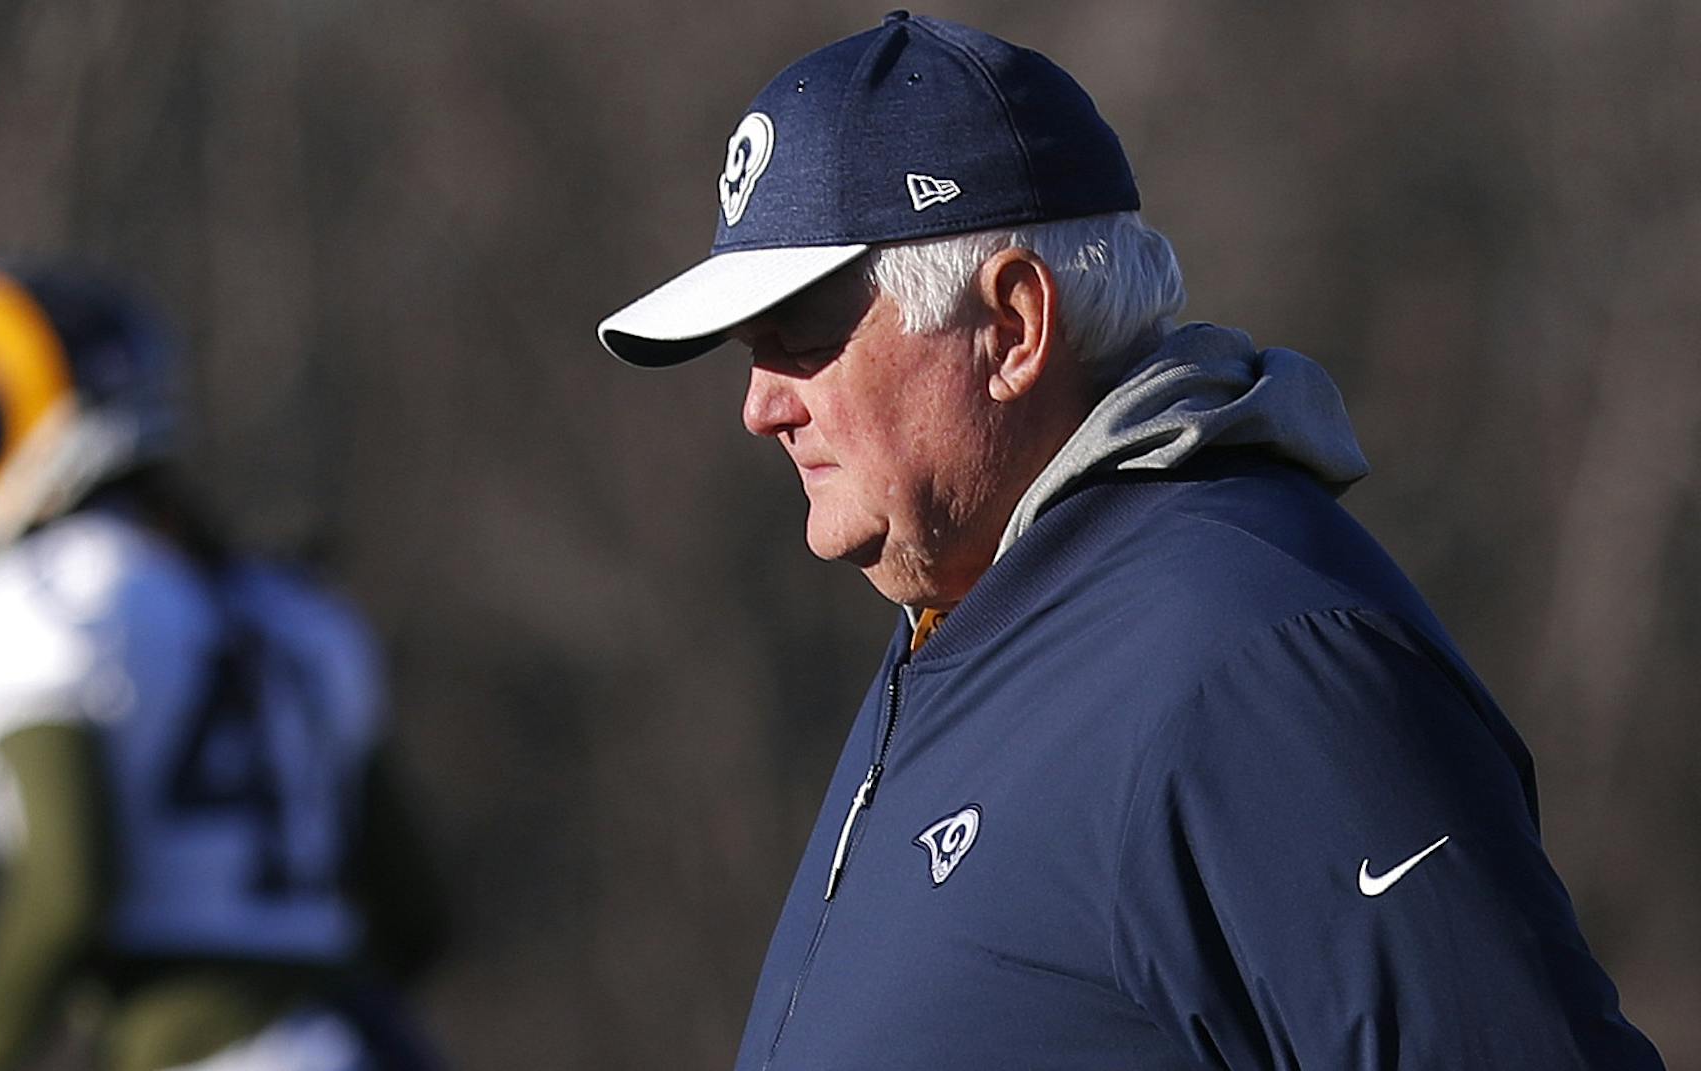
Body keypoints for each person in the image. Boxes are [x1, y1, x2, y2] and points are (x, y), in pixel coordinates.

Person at [596, 13, 1664, 1069]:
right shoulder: (969, 617)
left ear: (1013, 327)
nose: (759, 405)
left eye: (808, 333)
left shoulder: (1253, 664)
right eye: (750, 347)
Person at [0, 265, 446, 1071]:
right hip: (364, 1038)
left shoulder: (43, 604)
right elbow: (419, 914)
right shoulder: (292, 607)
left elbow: (63, 892)